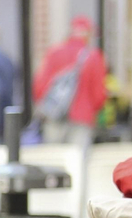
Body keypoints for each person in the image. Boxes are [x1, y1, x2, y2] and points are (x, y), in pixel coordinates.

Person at [33, 15, 108, 147]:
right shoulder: (94, 56)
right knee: (77, 161)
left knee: (54, 160)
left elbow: (39, 87)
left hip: (55, 116)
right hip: (82, 118)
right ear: (88, 34)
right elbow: (99, 94)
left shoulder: (54, 53)